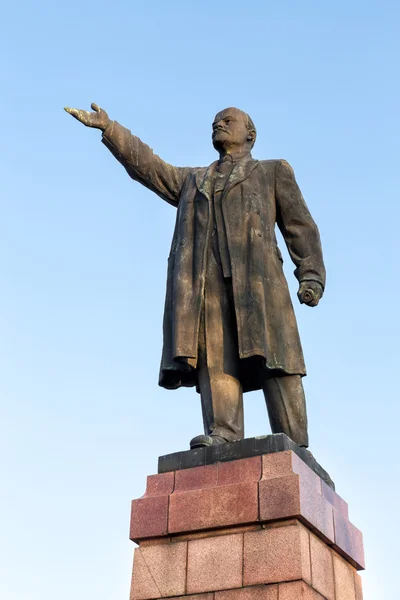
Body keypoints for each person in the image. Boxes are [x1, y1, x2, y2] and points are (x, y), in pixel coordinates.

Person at [65, 103, 326, 449]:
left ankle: (295, 444)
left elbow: (300, 226)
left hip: (260, 287)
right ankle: (224, 433)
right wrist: (110, 129)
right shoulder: (193, 180)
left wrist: (311, 275)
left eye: (227, 120)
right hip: (208, 286)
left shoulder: (272, 172)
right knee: (216, 359)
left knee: (278, 362)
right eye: (216, 121)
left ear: (250, 134)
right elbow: (151, 168)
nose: (218, 123)